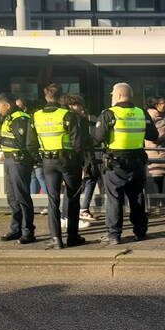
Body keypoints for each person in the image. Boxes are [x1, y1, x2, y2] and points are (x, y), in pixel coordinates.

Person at [93, 82, 158, 246]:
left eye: (112, 94)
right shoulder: (141, 113)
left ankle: (114, 235)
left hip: (115, 163)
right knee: (137, 197)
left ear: (119, 95)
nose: (111, 96)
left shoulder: (109, 114)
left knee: (114, 199)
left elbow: (97, 138)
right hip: (137, 162)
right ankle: (140, 231)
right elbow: (153, 135)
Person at [29, 84, 86, 249]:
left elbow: (30, 144)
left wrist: (40, 159)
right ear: (61, 97)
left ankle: (56, 238)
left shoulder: (36, 116)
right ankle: (72, 237)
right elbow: (77, 142)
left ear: (45, 97)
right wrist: (79, 161)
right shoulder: (68, 115)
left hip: (48, 162)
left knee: (53, 200)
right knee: (72, 197)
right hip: (68, 160)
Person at [0, 93, 36, 244]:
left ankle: (28, 231)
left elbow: (20, 143)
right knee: (12, 197)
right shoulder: (9, 118)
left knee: (22, 197)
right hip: (10, 160)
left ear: (7, 105)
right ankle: (15, 229)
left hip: (19, 161)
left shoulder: (20, 118)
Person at [58, 93, 94, 230]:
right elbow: (81, 141)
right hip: (74, 158)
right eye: (79, 105)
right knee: (73, 190)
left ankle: (64, 217)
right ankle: (70, 218)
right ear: (71, 105)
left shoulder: (63, 117)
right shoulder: (75, 119)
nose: (81, 108)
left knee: (68, 189)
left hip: (62, 157)